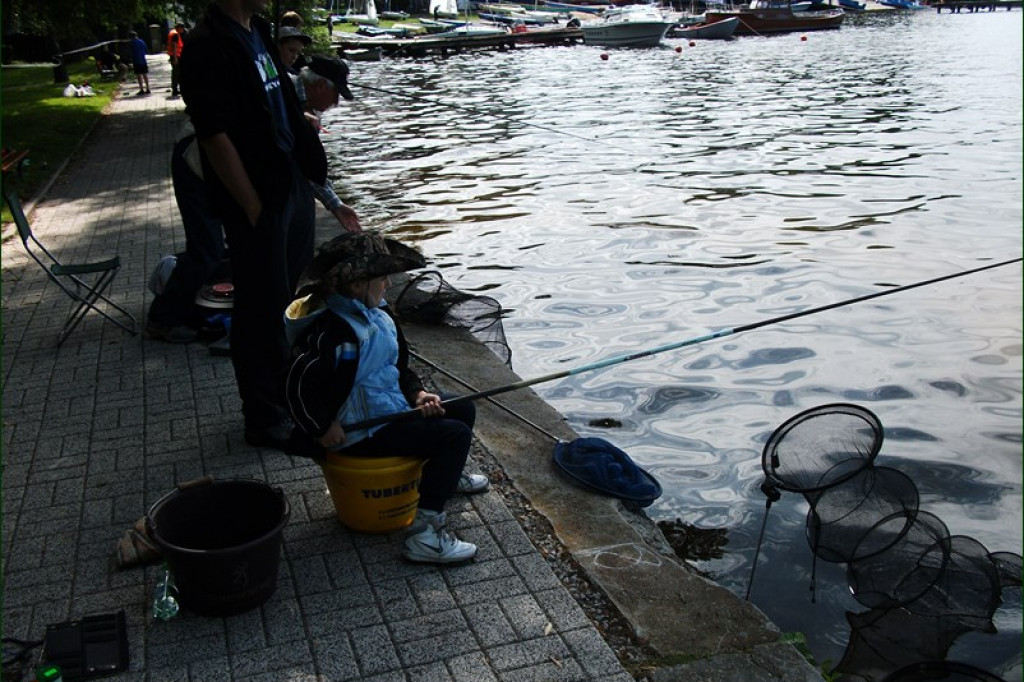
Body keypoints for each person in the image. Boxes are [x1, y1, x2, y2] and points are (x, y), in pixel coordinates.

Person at [284, 231, 489, 564]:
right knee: (454, 436)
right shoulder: (332, 332)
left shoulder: (380, 315)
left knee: (461, 407)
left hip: (391, 409)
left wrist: (418, 394)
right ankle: (425, 536)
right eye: (381, 279)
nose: (387, 285)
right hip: (358, 431)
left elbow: (399, 367)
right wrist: (320, 426)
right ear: (355, 285)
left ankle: (447, 480)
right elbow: (296, 384)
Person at [180, 0, 330, 449]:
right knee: (260, 311)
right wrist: (251, 207)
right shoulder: (207, 46)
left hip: (288, 185)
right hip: (258, 201)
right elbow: (214, 135)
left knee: (290, 302)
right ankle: (263, 419)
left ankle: (290, 398)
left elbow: (277, 99)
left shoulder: (259, 30)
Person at [145, 120, 227, 343]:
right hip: (198, 157)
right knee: (208, 251)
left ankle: (182, 306)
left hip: (213, 155)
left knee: (218, 250)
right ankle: (163, 319)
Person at [279, 50, 362, 234]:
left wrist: (336, 204)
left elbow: (310, 164)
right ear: (321, 86)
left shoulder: (313, 110)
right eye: (336, 95)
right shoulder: (281, 91)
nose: (337, 103)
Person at [167, 22, 186, 97]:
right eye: (182, 29)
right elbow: (174, 46)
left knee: (175, 72)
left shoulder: (172, 32)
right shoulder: (175, 34)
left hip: (174, 55)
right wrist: (175, 58)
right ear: (179, 28)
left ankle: (175, 88)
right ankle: (175, 89)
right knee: (176, 73)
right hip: (176, 56)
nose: (183, 30)